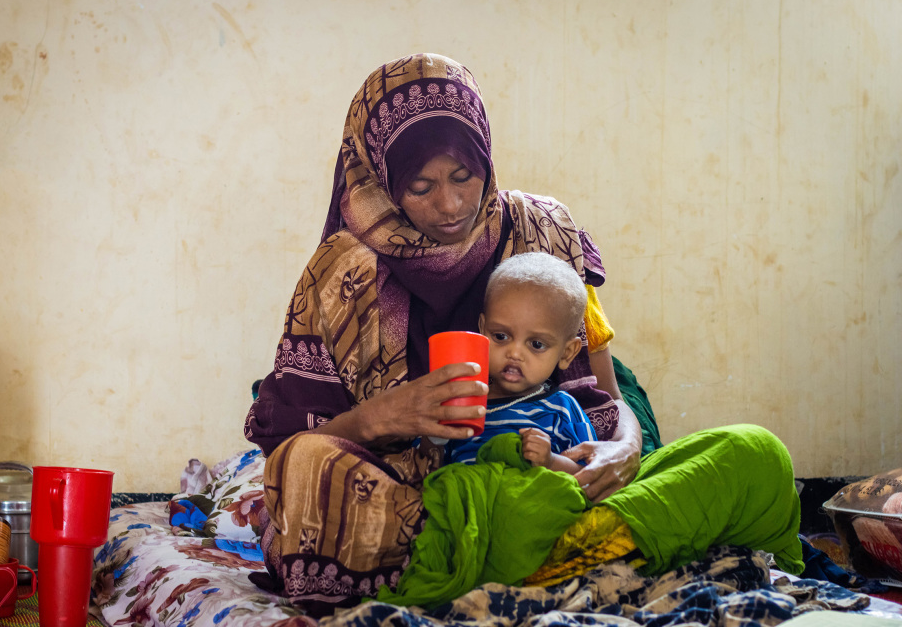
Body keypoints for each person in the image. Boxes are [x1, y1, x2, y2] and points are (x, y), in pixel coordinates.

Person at [243, 54, 802, 614]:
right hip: (431, 514)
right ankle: (587, 552)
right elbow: (288, 459)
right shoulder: (343, 272)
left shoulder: (542, 232)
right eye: (420, 186)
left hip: (564, 493)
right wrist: (382, 417)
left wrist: (624, 451)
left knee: (755, 453)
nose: (451, 204)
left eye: (465, 176)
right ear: (384, 182)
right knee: (309, 467)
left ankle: (567, 550)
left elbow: (608, 396)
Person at [442, 252, 598, 473]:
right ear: (482, 330)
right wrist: (435, 433)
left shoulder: (562, 409)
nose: (514, 353)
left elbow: (590, 475)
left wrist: (551, 462)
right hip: (470, 501)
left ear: (566, 354)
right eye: (500, 337)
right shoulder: (463, 400)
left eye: (536, 344)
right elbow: (427, 465)